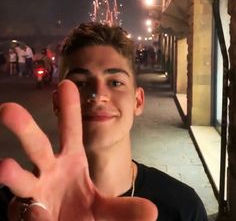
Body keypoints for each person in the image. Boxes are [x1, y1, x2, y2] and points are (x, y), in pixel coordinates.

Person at [0, 22, 207, 220]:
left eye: (115, 82)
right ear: (57, 103)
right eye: (80, 84)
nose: (98, 95)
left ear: (138, 101)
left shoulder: (183, 207)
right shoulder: (16, 206)